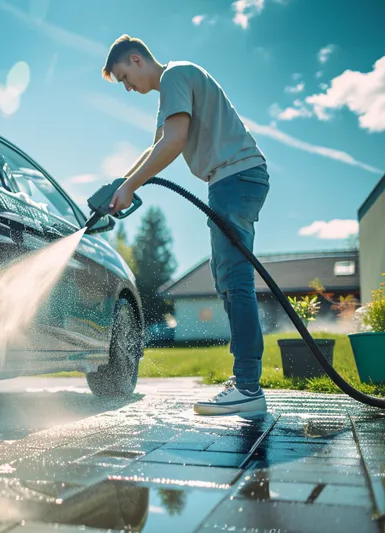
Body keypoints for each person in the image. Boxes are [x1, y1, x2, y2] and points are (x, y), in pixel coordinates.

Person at [102, 35, 269, 416]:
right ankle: (246, 381)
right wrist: (120, 186)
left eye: (126, 77)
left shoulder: (176, 76)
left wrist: (130, 187)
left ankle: (248, 386)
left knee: (235, 279)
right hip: (231, 179)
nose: (128, 87)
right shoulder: (172, 89)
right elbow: (156, 146)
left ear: (136, 59)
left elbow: (174, 143)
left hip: (235, 177)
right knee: (226, 278)